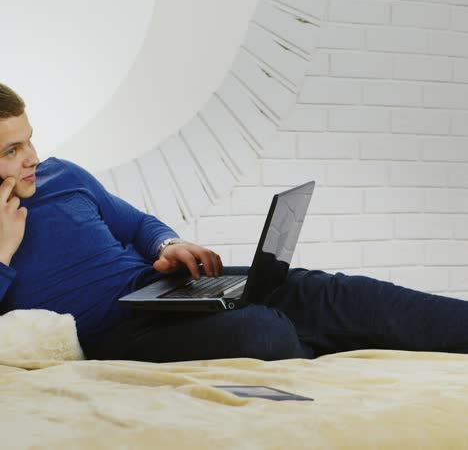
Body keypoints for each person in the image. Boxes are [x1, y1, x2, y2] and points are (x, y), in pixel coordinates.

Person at [1, 82, 468, 364]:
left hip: (161, 290)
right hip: (118, 333)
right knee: (262, 331)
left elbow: (140, 225)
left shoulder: (62, 176)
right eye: (11, 151)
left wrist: (169, 243)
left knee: (327, 290)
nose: (33, 160)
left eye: (30, 141)